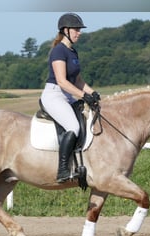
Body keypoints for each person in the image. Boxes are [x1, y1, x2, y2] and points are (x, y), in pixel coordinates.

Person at [40, 12, 101, 183]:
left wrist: (93, 94)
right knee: (73, 126)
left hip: (69, 95)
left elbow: (79, 80)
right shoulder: (58, 51)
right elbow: (61, 81)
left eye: (79, 30)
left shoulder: (72, 51)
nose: (79, 33)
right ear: (66, 30)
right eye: (76, 29)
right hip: (55, 95)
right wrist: (83, 96)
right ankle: (63, 170)